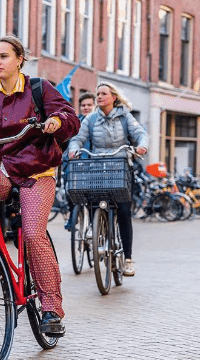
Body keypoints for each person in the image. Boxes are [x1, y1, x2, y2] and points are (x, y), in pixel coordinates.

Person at [0, 36, 79, 337]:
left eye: (4, 56)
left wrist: (57, 122)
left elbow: (70, 118)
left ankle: (52, 309)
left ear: (20, 59)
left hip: (38, 172)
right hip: (6, 170)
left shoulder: (39, 88)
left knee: (35, 235)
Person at [67, 82, 148, 277]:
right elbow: (78, 138)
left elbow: (140, 133)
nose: (99, 97)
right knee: (95, 203)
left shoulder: (124, 116)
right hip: (98, 168)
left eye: (103, 94)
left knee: (123, 211)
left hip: (120, 168)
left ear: (113, 96)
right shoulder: (91, 119)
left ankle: (127, 259)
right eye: (98, 94)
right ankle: (99, 237)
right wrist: (73, 149)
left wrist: (141, 146)